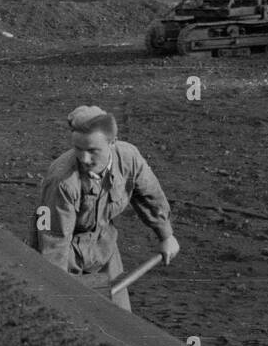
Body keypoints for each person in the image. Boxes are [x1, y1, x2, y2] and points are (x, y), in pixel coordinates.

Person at [31, 105, 180, 311]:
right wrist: (58, 291)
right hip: (65, 254)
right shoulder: (62, 180)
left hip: (103, 246)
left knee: (120, 319)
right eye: (78, 149)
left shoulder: (129, 159)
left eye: (92, 151)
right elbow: (55, 242)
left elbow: (150, 196)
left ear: (112, 143)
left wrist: (166, 235)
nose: (84, 159)